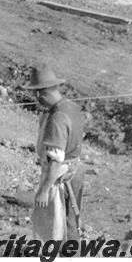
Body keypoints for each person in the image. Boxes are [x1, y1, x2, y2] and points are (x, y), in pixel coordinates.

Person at [22, 64, 85, 242]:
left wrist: (44, 190)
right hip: (75, 171)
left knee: (55, 228)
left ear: (40, 93)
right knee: (70, 222)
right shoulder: (72, 107)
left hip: (59, 177)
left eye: (35, 95)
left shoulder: (57, 117)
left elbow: (56, 161)